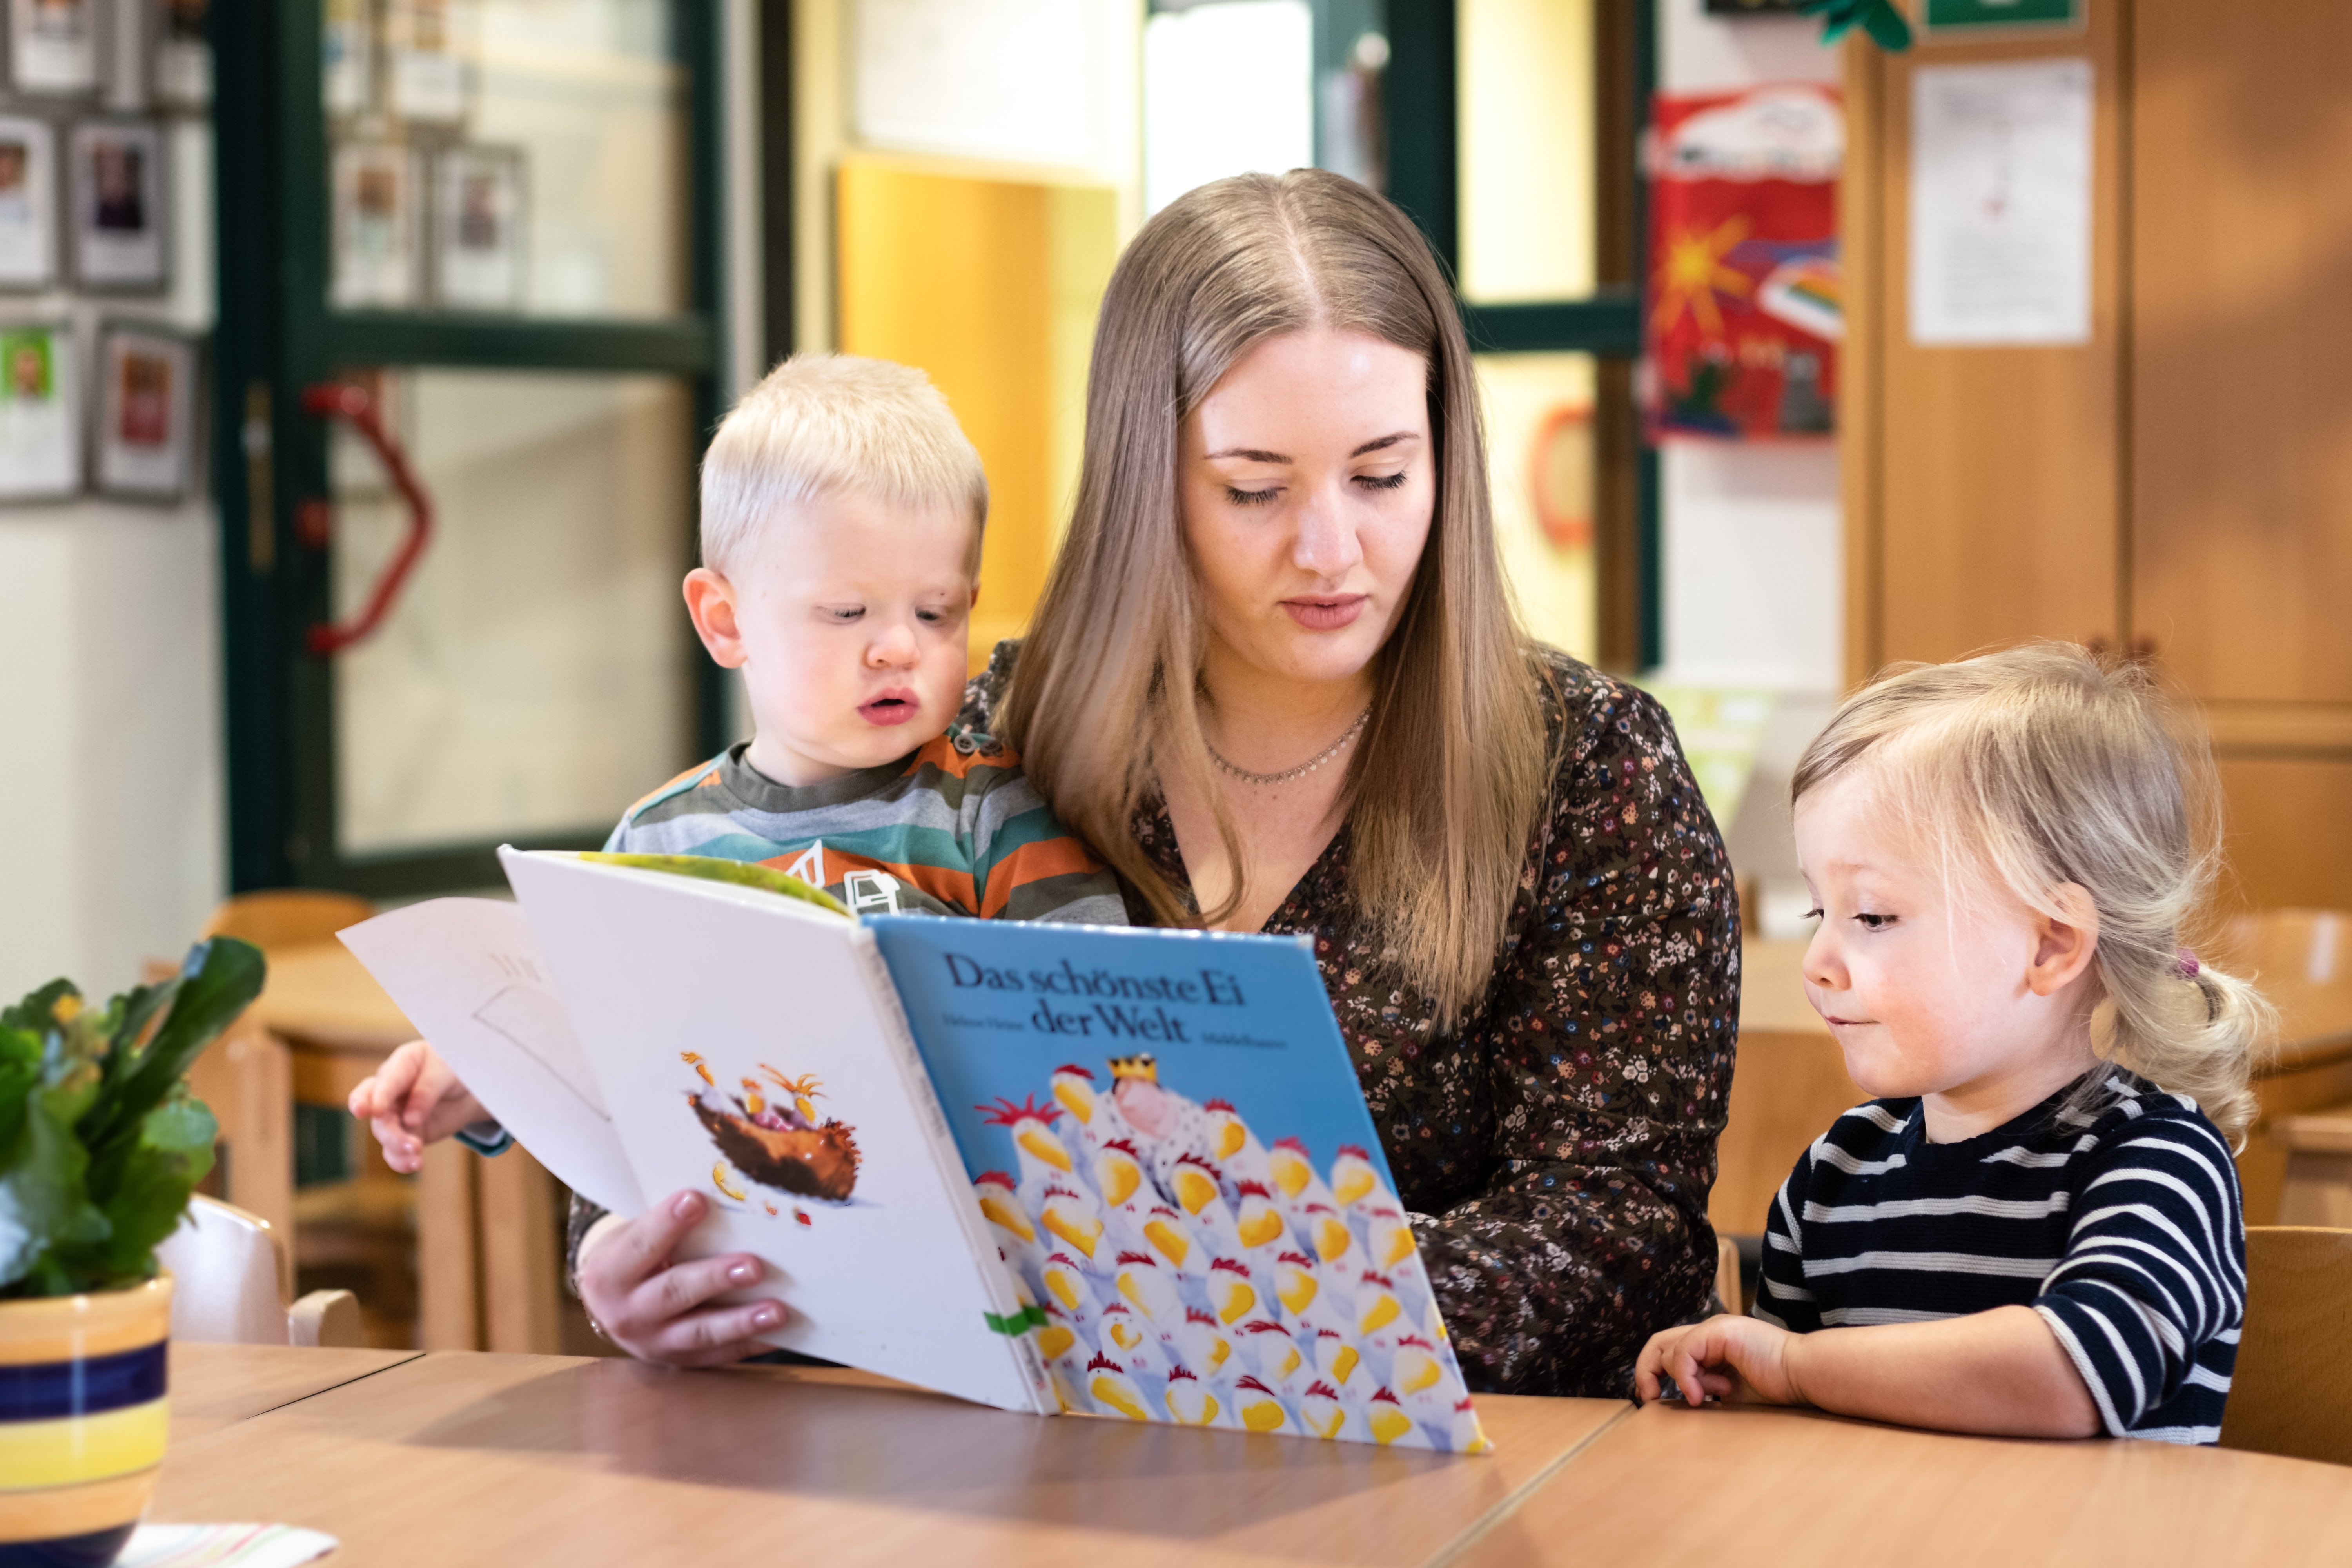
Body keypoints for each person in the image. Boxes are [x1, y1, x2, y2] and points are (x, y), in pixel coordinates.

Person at [369, 171, 1742, 1393]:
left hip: (1487, 1492)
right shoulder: (965, 732)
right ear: (1149, 483)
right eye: (1255, 489)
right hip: (1016, 1479)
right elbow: (736, 1085)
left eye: (1385, 475)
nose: (1335, 549)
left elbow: (1617, 1230)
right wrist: (656, 1276)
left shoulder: (1588, 768)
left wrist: (1227, 1310)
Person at [349, 353, 1125, 1362]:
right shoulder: (654, 841)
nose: (898, 646)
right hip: (749, 1323)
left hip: (971, 1320)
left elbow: (1097, 1013)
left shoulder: (988, 813)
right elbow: (608, 1084)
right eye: (847, 613)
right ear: (725, 619)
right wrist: (487, 1076)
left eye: (938, 612)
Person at [1635, 642, 2267, 1443]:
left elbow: (2075, 1376)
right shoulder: (1836, 1170)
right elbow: (1782, 1426)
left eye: (1872, 915)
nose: (1820, 962)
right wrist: (1731, 1377)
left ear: (2050, 945)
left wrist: (1794, 1364)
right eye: (1816, 913)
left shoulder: (2158, 1157)